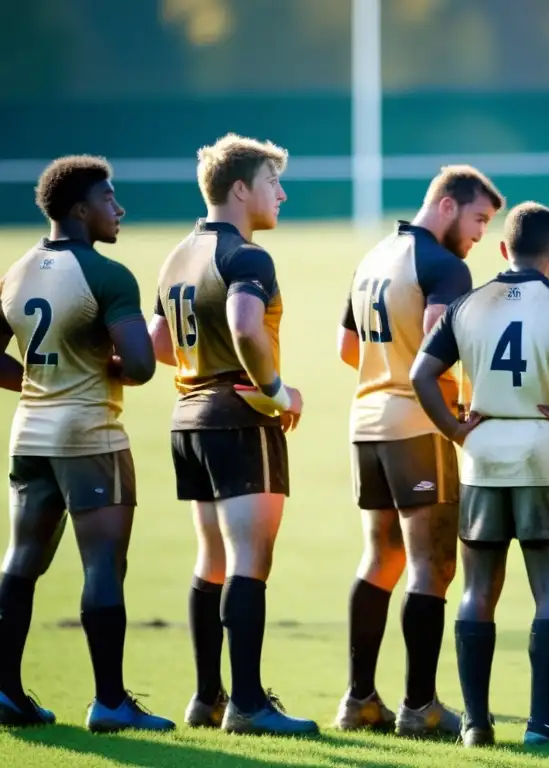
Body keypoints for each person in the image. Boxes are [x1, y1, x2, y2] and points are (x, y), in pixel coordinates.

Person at [410, 201, 549, 748]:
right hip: (544, 452)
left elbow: (422, 372)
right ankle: (543, 725)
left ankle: (475, 724)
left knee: (477, 590)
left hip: (483, 455)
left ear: (502, 249)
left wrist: (453, 428)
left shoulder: (470, 303)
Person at [148, 133, 316, 736]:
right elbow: (247, 325)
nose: (282, 194)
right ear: (241, 189)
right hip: (239, 417)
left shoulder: (176, 255)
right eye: (274, 183)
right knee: (250, 559)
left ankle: (207, 698)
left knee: (211, 558)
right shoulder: (247, 257)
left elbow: (159, 345)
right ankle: (247, 704)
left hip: (188, 418)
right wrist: (276, 390)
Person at [0, 156, 173, 732]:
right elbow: (144, 366)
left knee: (21, 561)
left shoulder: (17, 270)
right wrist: (107, 364)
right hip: (89, 435)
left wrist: (33, 379)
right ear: (80, 210)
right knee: (103, 563)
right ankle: (110, 702)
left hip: (29, 432)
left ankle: (5, 693)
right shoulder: (108, 275)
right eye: (108, 199)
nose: (118, 209)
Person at [336, 166, 503, 738]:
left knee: (380, 560)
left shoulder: (375, 256)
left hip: (366, 423)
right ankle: (420, 706)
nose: (480, 233)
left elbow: (346, 347)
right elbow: (439, 344)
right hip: (420, 426)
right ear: (449, 206)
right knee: (433, 565)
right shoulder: (444, 267)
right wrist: (456, 415)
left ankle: (359, 699)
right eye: (479, 218)